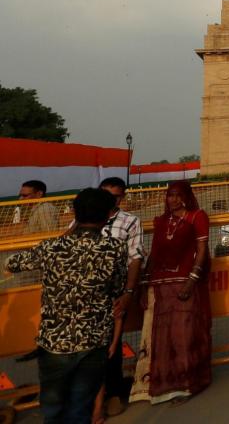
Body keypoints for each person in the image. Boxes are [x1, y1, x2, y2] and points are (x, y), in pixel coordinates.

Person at [5, 188, 127, 424]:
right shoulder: (114, 249)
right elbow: (117, 288)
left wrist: (64, 236)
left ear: (74, 213)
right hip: (93, 340)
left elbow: (12, 263)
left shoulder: (52, 247)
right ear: (107, 216)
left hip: (54, 341)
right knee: (80, 407)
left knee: (53, 409)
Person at [130, 181, 211, 406]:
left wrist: (191, 281)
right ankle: (159, 385)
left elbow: (202, 251)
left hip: (184, 283)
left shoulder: (197, 217)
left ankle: (189, 384)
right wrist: (144, 284)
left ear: (186, 196)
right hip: (159, 285)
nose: (172, 199)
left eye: (177, 195)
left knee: (183, 336)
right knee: (158, 337)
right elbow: (154, 254)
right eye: (169, 195)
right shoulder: (161, 221)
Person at [92, 177, 145, 421]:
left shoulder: (130, 222)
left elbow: (135, 258)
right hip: (86, 293)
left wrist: (129, 293)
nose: (111, 200)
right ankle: (92, 397)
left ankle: (112, 393)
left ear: (122, 197)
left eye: (116, 196)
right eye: (106, 195)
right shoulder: (85, 217)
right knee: (88, 348)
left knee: (111, 345)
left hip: (114, 291)